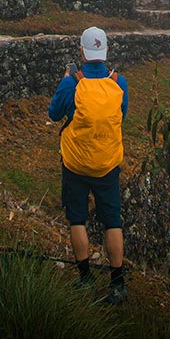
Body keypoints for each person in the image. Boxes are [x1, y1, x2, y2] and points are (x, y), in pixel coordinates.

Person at [48, 26, 129, 304]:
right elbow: (121, 115)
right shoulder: (119, 83)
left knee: (77, 219)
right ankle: (117, 283)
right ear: (104, 52)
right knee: (112, 222)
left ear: (81, 52)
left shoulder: (72, 83)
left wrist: (65, 82)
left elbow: (54, 113)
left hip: (76, 164)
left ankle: (85, 277)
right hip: (107, 164)